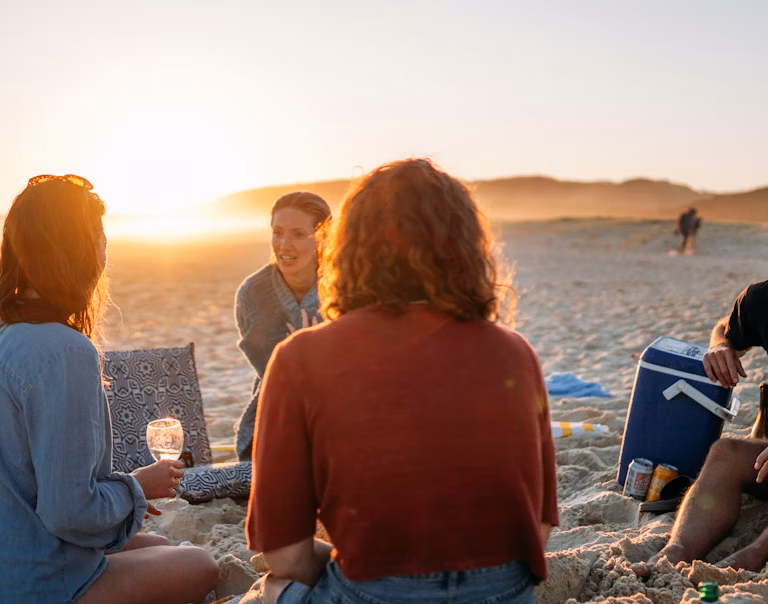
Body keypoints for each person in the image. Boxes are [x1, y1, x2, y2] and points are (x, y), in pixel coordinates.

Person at [241, 159, 558, 604]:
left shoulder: (300, 358)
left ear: (348, 246)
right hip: (503, 591)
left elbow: (284, 554)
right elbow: (538, 530)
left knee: (271, 589)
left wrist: (361, 564)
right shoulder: (515, 353)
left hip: (375, 591)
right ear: (466, 246)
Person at [0, 175, 219, 603]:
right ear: (79, 251)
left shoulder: (7, 331)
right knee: (201, 565)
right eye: (100, 237)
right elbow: (69, 513)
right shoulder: (64, 351)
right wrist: (137, 486)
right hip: (36, 582)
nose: (104, 250)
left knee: (160, 548)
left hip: (16, 547)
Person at [643, 281, 768, 572]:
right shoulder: (762, 299)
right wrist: (720, 346)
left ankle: (755, 554)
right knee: (725, 453)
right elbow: (725, 326)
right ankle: (676, 551)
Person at [233, 191, 331, 460]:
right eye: (278, 232)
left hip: (340, 412)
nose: (284, 245)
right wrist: (305, 350)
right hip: (277, 410)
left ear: (322, 238)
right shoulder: (253, 293)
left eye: (298, 234)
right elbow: (273, 374)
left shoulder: (344, 288)